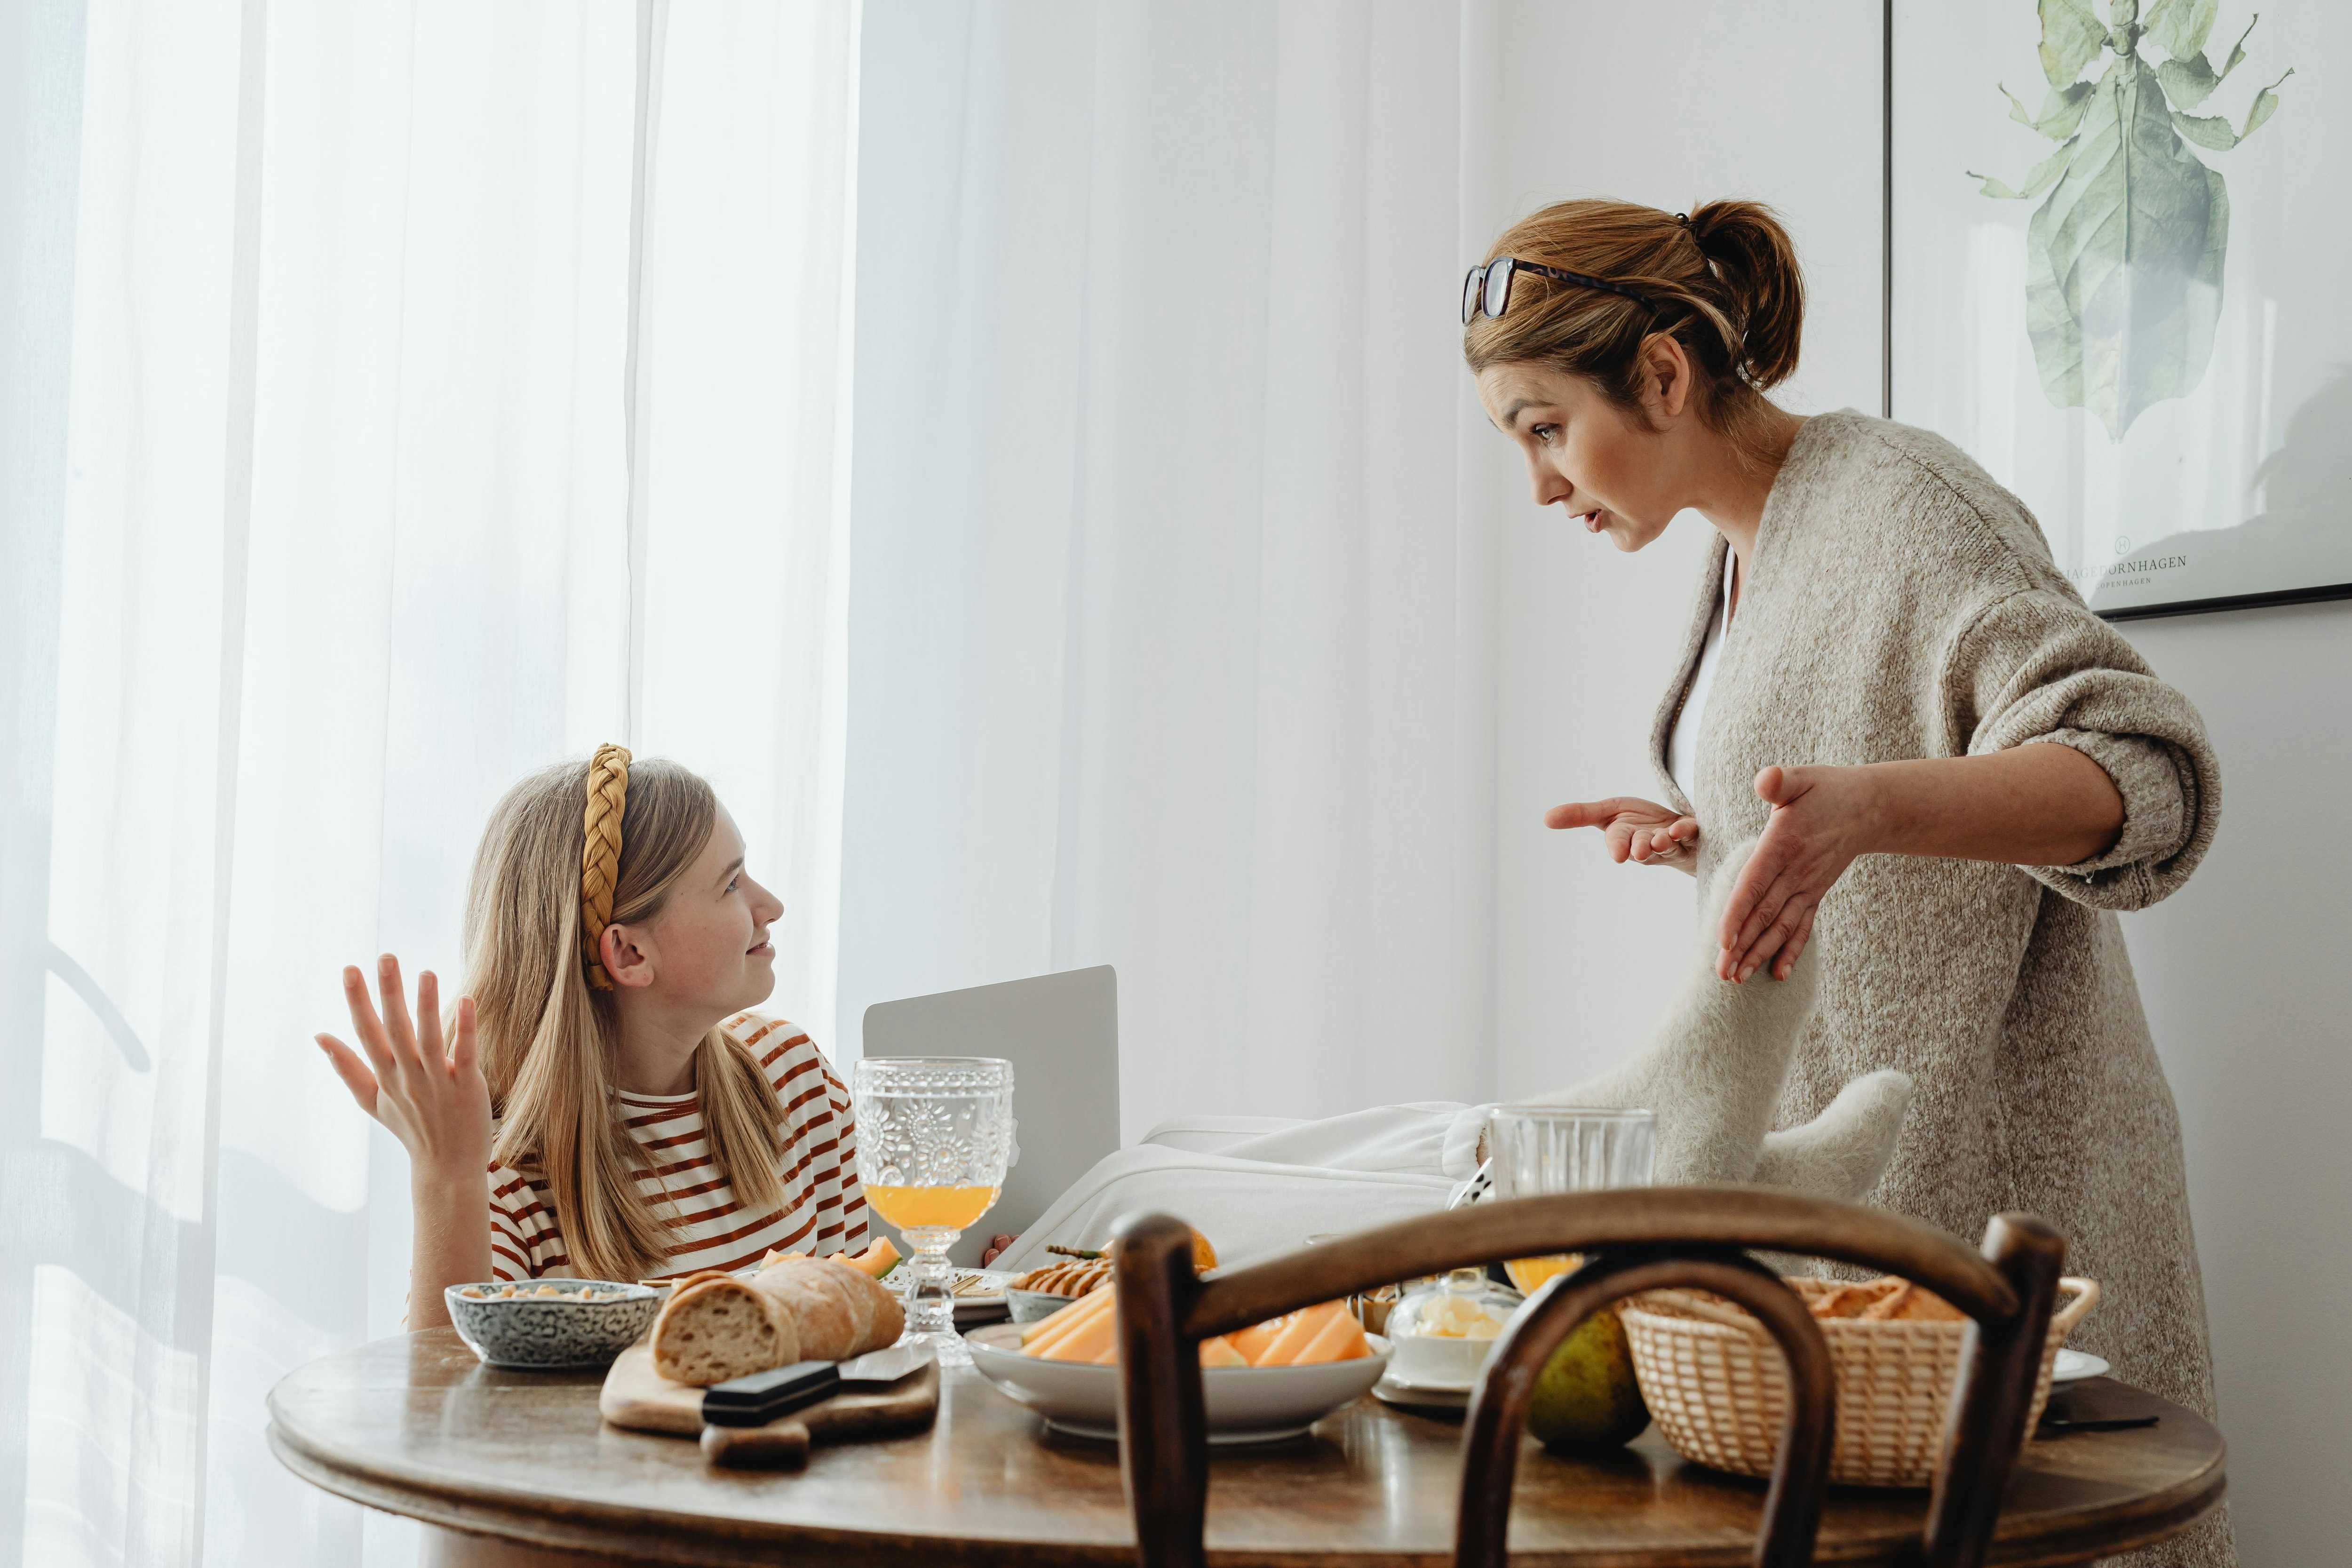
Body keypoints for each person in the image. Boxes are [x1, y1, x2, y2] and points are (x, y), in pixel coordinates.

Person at [1464, 199, 2228, 1567]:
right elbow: (1847, 798)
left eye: (1540, 427)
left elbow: (2141, 769)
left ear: (1659, 375)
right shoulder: (1743, 554)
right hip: (1874, 1260)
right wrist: (1706, 836)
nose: (1534, 484)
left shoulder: (1902, 503)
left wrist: (1863, 810)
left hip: (2009, 1230)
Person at [315, 745, 867, 1329]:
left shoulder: (794, 1078)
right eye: (731, 885)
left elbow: (867, 1330)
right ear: (630, 952)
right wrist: (446, 1176)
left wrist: (966, 1285)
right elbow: (443, 1413)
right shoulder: (504, 1180)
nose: (771, 906)